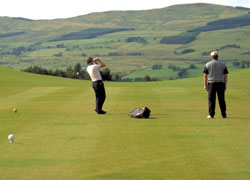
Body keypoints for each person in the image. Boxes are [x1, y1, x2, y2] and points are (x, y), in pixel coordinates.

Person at [203, 51, 228, 119]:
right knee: (221, 99)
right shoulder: (223, 64)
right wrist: (225, 85)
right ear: (217, 56)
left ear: (211, 56)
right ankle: (224, 114)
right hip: (220, 83)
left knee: (211, 99)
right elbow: (225, 75)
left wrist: (205, 85)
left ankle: (211, 115)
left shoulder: (207, 64)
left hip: (211, 83)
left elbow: (205, 75)